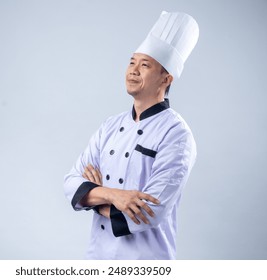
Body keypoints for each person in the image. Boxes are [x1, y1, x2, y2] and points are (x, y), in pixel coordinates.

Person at [64, 11, 199, 259]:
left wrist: (92, 195)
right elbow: (71, 184)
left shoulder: (177, 135)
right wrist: (115, 195)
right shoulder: (110, 126)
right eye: (131, 62)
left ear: (165, 79)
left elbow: (149, 214)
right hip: (97, 257)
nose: (133, 70)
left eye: (145, 65)